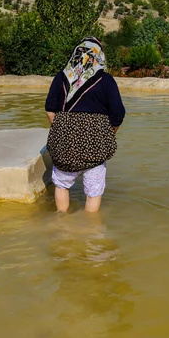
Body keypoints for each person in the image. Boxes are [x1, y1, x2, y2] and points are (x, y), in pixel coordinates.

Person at [45, 37, 125, 213]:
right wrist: (109, 133)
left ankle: (61, 223)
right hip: (95, 139)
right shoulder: (106, 80)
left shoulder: (60, 78)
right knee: (93, 191)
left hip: (64, 138)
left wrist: (61, 129)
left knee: (61, 185)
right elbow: (118, 113)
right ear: (99, 56)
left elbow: (50, 109)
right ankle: (90, 230)